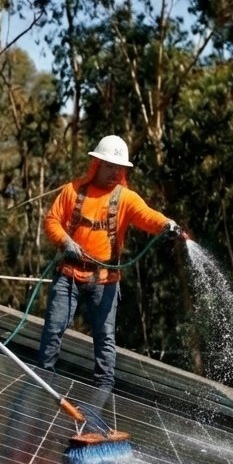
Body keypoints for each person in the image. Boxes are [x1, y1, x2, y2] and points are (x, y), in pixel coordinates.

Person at [38, 135, 182, 390]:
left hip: (105, 280)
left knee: (104, 338)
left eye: (119, 167)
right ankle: (43, 380)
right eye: (109, 166)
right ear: (96, 164)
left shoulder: (125, 198)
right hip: (69, 273)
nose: (114, 172)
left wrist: (166, 224)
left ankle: (104, 390)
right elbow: (52, 220)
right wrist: (65, 242)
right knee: (54, 327)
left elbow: (148, 216)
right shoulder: (73, 190)